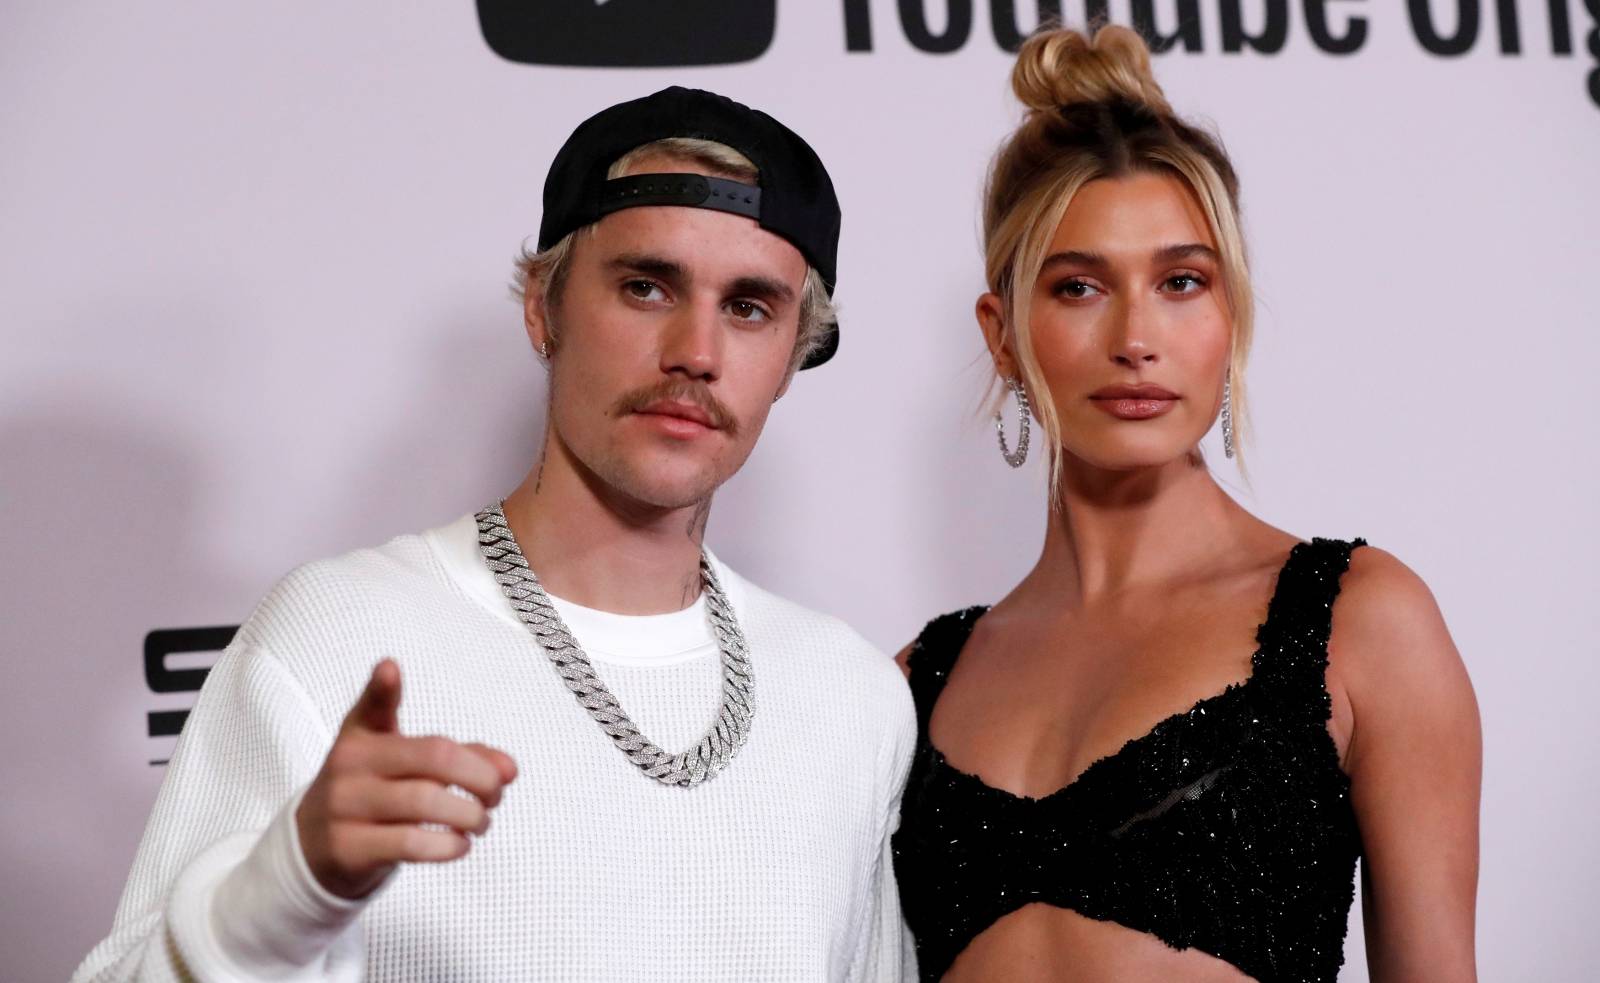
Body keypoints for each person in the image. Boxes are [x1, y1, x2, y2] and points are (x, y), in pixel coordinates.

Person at [75, 86, 916, 982]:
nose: (695, 349)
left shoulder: (848, 695)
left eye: (749, 308)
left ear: (791, 357)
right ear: (541, 308)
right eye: (645, 285)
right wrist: (281, 895)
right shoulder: (338, 635)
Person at [889, 26, 1481, 983]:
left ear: (1230, 315)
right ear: (1002, 336)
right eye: (1079, 286)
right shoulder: (916, 682)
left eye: (1181, 282)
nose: (1136, 337)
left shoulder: (1359, 622)